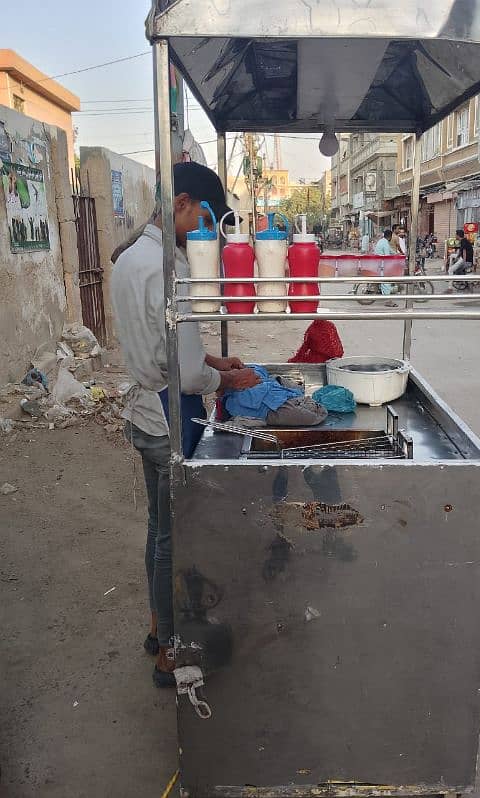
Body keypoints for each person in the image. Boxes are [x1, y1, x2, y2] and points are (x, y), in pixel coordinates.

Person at [111, 162, 260, 688]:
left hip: (144, 412)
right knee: (175, 540)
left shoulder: (131, 259)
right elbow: (188, 370)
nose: (205, 233)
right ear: (181, 204)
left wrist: (211, 366)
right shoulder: (170, 271)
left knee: (157, 531)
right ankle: (170, 654)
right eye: (203, 218)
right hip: (169, 420)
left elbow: (158, 349)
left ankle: (158, 628)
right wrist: (226, 381)